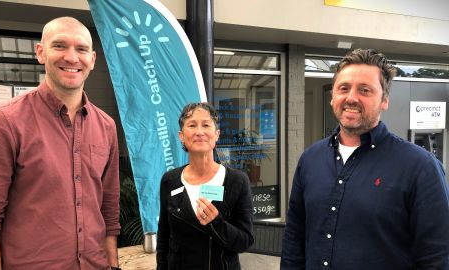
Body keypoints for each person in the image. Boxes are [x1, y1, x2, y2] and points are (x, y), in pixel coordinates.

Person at [0, 17, 121, 270]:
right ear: (40, 53)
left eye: (81, 49)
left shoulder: (106, 126)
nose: (72, 58)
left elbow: (108, 210)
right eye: (60, 46)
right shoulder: (4, 121)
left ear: (92, 60)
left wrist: (112, 265)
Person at [281, 48, 449, 269]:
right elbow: (294, 238)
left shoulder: (421, 167)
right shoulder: (310, 159)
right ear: (333, 96)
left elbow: (436, 257)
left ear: (384, 100)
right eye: (344, 88)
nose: (351, 98)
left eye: (365, 90)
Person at [156, 102, 254, 270]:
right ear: (181, 135)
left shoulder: (237, 181)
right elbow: (164, 238)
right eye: (192, 125)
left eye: (206, 125)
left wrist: (216, 223)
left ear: (217, 134)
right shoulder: (169, 181)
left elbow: (245, 241)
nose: (199, 132)